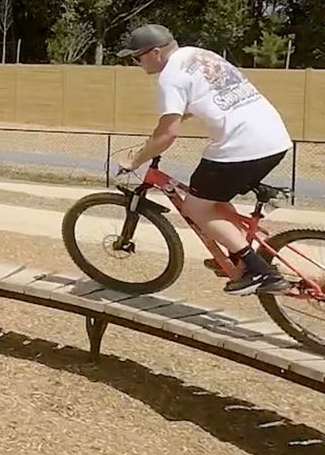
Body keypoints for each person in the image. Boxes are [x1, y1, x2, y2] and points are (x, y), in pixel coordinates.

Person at [112, 23, 293, 295]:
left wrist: (135, 160)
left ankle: (260, 271)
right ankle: (237, 256)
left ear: (156, 53)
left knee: (195, 208)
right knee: (213, 199)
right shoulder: (198, 55)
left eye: (137, 57)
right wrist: (164, 128)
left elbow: (169, 132)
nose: (136, 63)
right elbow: (205, 100)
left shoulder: (169, 76)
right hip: (275, 138)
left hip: (242, 145)